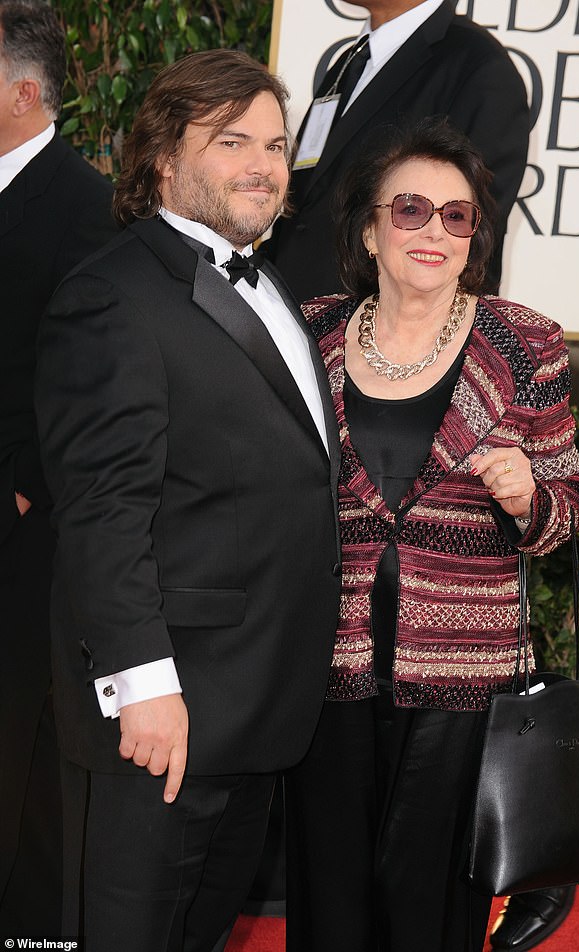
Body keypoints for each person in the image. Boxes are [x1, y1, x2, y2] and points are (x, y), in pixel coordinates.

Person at [34, 49, 342, 952]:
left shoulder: (268, 278)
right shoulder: (113, 295)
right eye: (232, 140)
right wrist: (143, 689)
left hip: (254, 710)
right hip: (165, 720)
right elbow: (100, 510)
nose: (264, 165)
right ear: (164, 158)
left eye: (278, 145)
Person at [283, 116, 579, 952]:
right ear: (371, 227)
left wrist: (531, 497)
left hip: (464, 682)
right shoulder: (306, 335)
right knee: (330, 902)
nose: (435, 232)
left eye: (458, 217)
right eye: (412, 209)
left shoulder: (524, 344)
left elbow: (566, 512)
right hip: (324, 671)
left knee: (428, 912)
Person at [0, 0, 118, 935]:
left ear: (24, 91)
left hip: (27, 536)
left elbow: (93, 373)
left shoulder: (88, 206)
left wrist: (27, 486)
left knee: (22, 745)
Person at [265, 0, 530, 299]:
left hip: (373, 328)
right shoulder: (349, 62)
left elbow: (476, 235)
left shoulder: (480, 67)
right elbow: (306, 202)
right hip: (294, 312)